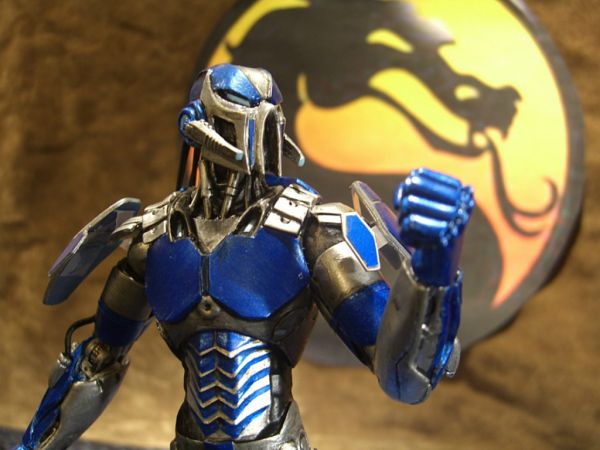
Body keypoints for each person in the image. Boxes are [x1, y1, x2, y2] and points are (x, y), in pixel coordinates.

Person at [16, 64, 473, 450]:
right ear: (198, 124)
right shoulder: (154, 237)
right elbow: (97, 362)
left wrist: (433, 275)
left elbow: (403, 376)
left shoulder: (311, 228)